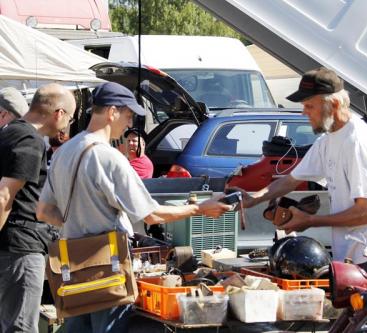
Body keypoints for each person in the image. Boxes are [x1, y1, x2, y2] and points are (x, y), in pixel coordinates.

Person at [36, 82, 231, 333]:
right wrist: (200, 208)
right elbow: (151, 215)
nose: (129, 125)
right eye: (128, 116)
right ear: (112, 112)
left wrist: (79, 223)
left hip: (72, 264)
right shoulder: (109, 157)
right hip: (108, 265)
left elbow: (43, 211)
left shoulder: (65, 151)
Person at [237, 67, 367, 268]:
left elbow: (366, 212)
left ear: (334, 104)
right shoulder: (327, 140)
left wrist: (310, 220)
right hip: (354, 254)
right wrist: (253, 199)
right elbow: (291, 180)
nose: (304, 113)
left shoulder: (357, 143)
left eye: (309, 106)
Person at [0, 83, 76, 332]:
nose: (68, 126)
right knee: (21, 327)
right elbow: (4, 196)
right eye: (70, 118)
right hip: (20, 249)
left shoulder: (9, 132)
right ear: (59, 113)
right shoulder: (30, 140)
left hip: (14, 247)